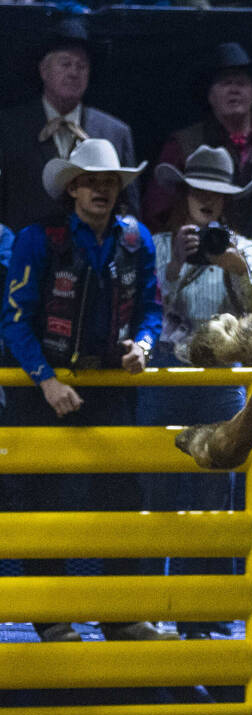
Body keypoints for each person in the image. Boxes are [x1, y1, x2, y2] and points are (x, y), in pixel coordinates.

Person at [1, 139, 169, 644]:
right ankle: (52, 618)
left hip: (109, 386)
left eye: (110, 181)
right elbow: (14, 320)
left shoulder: (137, 241)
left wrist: (143, 345)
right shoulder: (40, 239)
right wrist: (46, 380)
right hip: (43, 390)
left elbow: (151, 309)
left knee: (122, 497)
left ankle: (120, 614)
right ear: (73, 187)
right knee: (43, 503)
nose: (101, 188)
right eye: (92, 180)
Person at [142, 146, 252, 639]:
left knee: (218, 500)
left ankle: (206, 615)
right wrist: (173, 264)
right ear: (185, 194)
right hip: (166, 373)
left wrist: (236, 269)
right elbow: (148, 305)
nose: (208, 200)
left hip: (219, 377)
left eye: (218, 193)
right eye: (199, 191)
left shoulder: (246, 249)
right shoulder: (157, 244)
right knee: (156, 493)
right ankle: (145, 610)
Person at [142, 42, 252, 252]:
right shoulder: (183, 144)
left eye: (242, 83)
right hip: (202, 263)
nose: (234, 89)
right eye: (225, 83)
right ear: (209, 95)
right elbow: (157, 213)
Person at [0, 17, 139, 232]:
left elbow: (129, 209)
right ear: (44, 71)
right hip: (23, 254)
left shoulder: (115, 132)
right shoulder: (9, 127)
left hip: (96, 255)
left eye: (81, 66)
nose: (74, 72)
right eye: (65, 64)